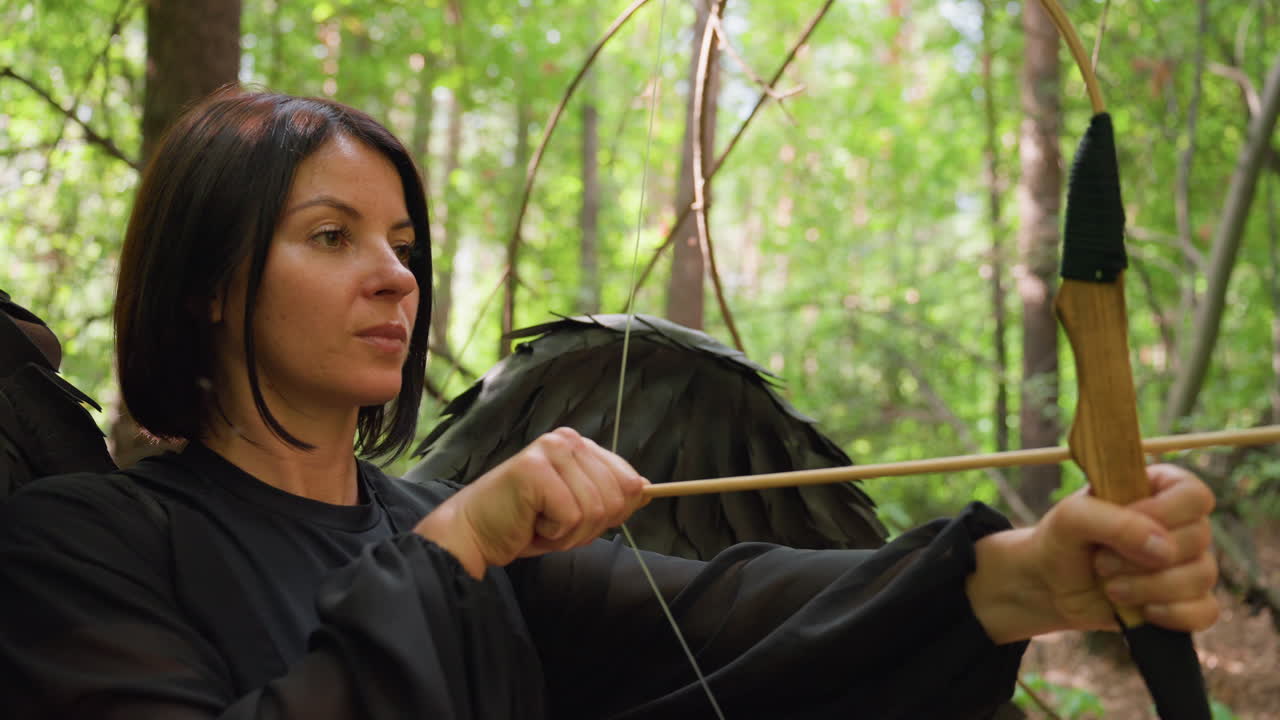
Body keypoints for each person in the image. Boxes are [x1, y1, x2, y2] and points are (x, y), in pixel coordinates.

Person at [0, 89, 1218, 719]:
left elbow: (724, 612)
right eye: (332, 236)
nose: (395, 276)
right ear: (209, 281)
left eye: (404, 243)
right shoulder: (83, 547)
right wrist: (460, 547)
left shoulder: (453, 536)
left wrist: (1018, 579)